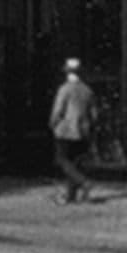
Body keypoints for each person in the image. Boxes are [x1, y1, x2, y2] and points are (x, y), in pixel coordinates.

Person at [49, 57, 97, 204]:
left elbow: (58, 110)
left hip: (66, 130)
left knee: (62, 159)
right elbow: (94, 114)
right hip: (82, 131)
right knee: (75, 161)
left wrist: (52, 124)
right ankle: (71, 195)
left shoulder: (64, 89)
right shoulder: (87, 90)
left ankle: (83, 182)